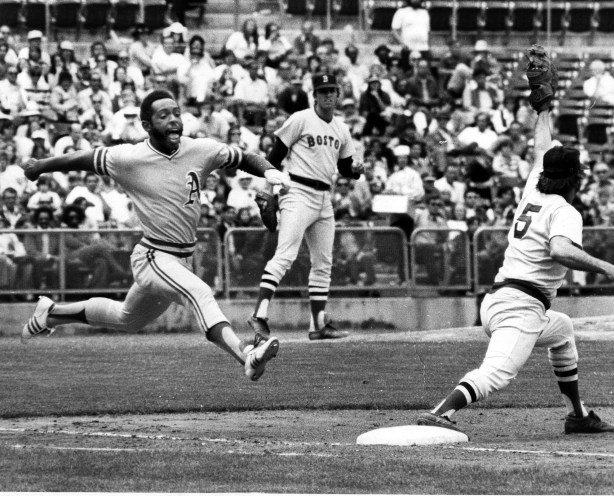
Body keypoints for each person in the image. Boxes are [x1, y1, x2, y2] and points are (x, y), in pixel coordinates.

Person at [21, 90, 291, 383]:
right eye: (164, 116)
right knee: (199, 292)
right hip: (153, 256)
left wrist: (270, 171)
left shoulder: (200, 149)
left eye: (176, 113)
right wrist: (40, 167)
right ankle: (245, 354)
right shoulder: (130, 156)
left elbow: (244, 157)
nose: (174, 120)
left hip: (180, 259)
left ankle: (50, 313)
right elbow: (83, 158)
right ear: (147, 125)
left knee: (127, 318)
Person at [417, 89, 614, 434]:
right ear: (575, 178)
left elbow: (542, 147)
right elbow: (560, 250)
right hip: (520, 306)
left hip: (502, 299)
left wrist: (542, 108)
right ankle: (440, 412)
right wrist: (608, 268)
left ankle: (577, 414)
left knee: (562, 330)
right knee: (498, 372)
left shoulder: (533, 190)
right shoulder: (565, 210)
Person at [247, 74, 364, 342]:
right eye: (322, 91)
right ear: (314, 95)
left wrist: (355, 170)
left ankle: (318, 324)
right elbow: (275, 156)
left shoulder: (341, 129)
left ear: (338, 94)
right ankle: (259, 315)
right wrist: (269, 190)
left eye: (331, 91)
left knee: (323, 262)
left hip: (324, 197)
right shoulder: (301, 118)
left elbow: (345, 168)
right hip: (297, 191)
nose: (327, 96)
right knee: (285, 255)